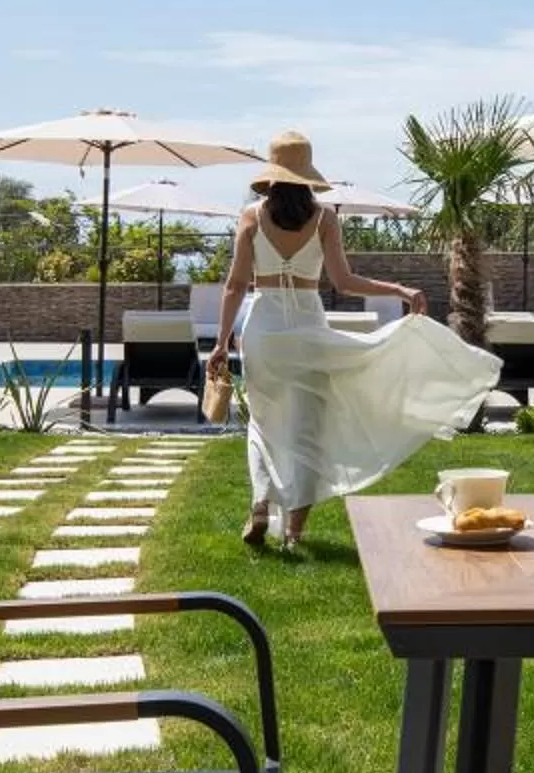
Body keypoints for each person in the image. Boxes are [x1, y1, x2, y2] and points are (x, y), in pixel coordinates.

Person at [206, 132, 499, 550]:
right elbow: (344, 281)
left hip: (264, 331)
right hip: (308, 327)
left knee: (262, 423)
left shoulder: (251, 216)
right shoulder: (324, 218)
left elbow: (235, 285)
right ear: (307, 175)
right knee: (308, 431)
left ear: (271, 174)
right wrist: (398, 289)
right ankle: (292, 533)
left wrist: (220, 342)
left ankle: (259, 504)